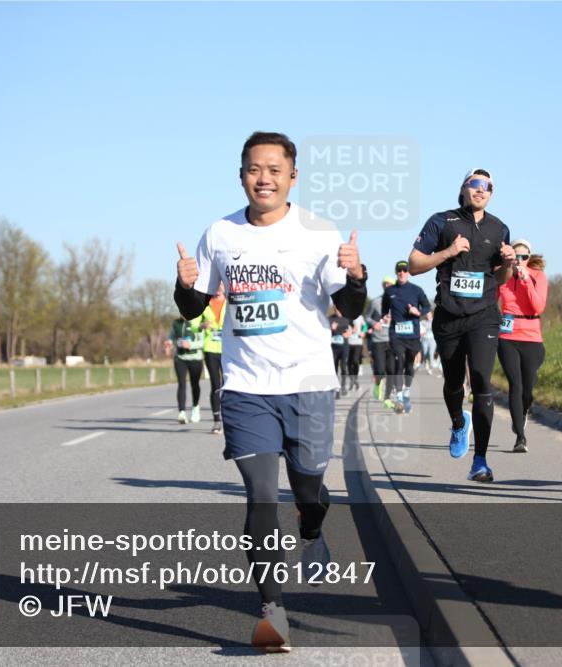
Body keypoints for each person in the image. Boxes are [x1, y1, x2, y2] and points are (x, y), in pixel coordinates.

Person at [174, 131, 366, 652]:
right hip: (245, 387)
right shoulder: (219, 234)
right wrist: (183, 284)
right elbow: (194, 308)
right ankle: (272, 609)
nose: (264, 178)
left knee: (308, 489)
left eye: (274, 170)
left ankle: (312, 524)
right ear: (242, 175)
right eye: (254, 169)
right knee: (260, 494)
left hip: (308, 385)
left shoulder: (319, 234)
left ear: (292, 178)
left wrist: (356, 275)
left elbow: (349, 309)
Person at [408, 169, 515, 482]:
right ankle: (458, 423)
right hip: (449, 316)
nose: (481, 190)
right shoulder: (442, 221)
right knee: (454, 384)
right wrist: (448, 252)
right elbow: (414, 264)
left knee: (482, 383)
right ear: (464, 188)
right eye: (475, 184)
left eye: (488, 187)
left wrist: (508, 263)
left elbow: (500, 278)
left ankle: (480, 460)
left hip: (484, 316)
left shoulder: (500, 228)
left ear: (492, 193)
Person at [497, 240, 548, 453]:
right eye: (515, 256)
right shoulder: (503, 278)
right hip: (508, 336)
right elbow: (491, 301)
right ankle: (520, 436)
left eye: (524, 257)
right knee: (515, 386)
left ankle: (523, 411)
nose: (519, 261)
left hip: (532, 336)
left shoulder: (538, 277)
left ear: (529, 258)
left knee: (527, 390)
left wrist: (527, 281)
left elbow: (538, 306)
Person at [381, 260, 430, 413]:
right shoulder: (389, 292)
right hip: (396, 334)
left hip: (413, 335)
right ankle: (400, 396)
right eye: (399, 270)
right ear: (396, 272)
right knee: (398, 361)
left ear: (408, 272)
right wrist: (384, 317)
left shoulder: (417, 290)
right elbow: (384, 309)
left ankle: (406, 390)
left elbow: (427, 306)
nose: (401, 272)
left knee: (409, 364)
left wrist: (418, 312)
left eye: (404, 270)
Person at [200, 282, 227, 434]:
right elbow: (195, 323)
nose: (218, 287)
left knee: (230, 385)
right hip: (210, 348)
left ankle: (230, 419)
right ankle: (217, 421)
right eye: (215, 284)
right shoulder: (206, 303)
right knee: (215, 385)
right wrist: (203, 325)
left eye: (220, 284)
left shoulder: (230, 301)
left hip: (228, 349)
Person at [170, 315, 204, 424]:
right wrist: (169, 343)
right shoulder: (176, 323)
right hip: (180, 358)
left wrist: (190, 345)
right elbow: (172, 337)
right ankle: (182, 412)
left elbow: (203, 342)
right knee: (181, 384)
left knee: (195, 384)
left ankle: (195, 408)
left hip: (195, 358)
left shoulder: (198, 322)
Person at [365, 276, 395, 400]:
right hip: (378, 340)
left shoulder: (398, 301)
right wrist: (374, 323)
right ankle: (378, 384)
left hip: (393, 340)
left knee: (392, 370)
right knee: (380, 370)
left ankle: (387, 396)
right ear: (383, 286)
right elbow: (367, 317)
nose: (387, 286)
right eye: (385, 284)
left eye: (390, 284)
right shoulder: (375, 301)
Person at [328, 308, 351, 396]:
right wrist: (331, 329)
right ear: (334, 309)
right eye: (337, 309)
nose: (338, 311)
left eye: (340, 308)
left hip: (344, 346)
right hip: (334, 347)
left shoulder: (347, 318)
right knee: (334, 368)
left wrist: (350, 332)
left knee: (344, 367)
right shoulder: (330, 318)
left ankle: (343, 386)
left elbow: (353, 328)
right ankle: (336, 389)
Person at [346, 313, 366, 391]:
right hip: (348, 342)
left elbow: (365, 326)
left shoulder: (360, 317)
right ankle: (352, 380)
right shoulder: (346, 316)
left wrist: (363, 332)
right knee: (348, 362)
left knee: (355, 361)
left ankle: (355, 378)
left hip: (358, 342)